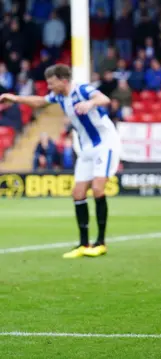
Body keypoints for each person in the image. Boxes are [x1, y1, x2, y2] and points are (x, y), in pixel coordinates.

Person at [0, 64, 120, 259]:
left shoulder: (81, 90)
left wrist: (90, 104)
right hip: (86, 148)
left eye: (51, 83)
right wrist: (15, 98)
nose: (49, 87)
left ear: (63, 80)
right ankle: (84, 243)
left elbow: (103, 98)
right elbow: (40, 102)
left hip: (105, 144)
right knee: (78, 193)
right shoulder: (58, 96)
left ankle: (101, 243)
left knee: (98, 189)